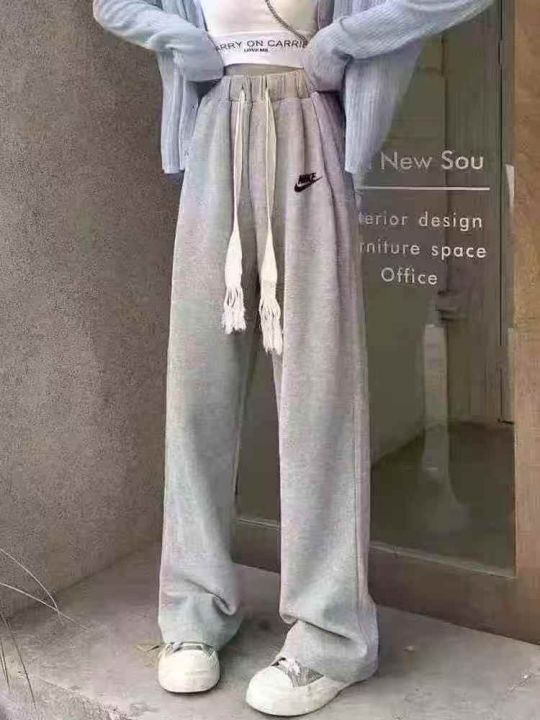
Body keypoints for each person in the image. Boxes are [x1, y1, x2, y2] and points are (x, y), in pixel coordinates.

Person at [92, 0, 494, 715]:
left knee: (319, 397)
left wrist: (342, 41)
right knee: (198, 393)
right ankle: (192, 612)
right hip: (216, 126)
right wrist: (182, 41)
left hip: (310, 128)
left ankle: (330, 636)